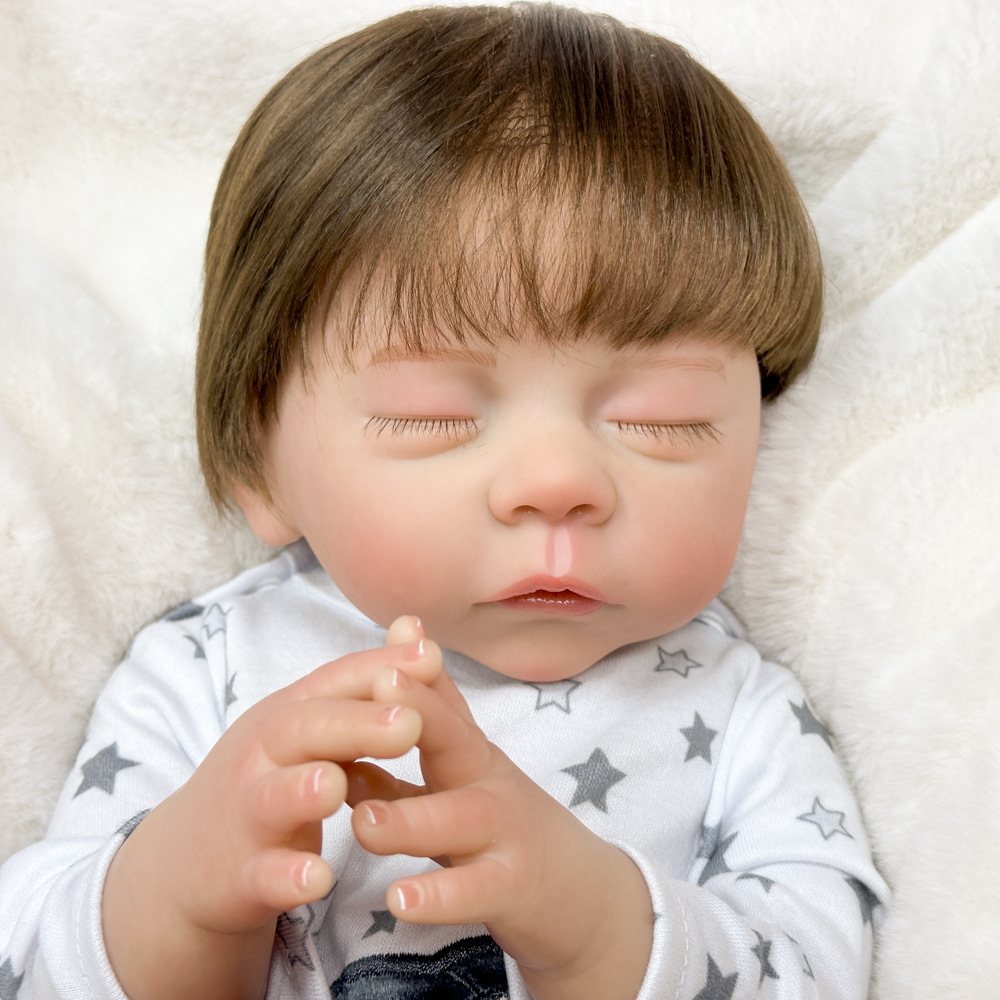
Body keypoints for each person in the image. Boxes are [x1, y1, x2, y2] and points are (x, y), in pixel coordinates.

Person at [0, 4, 888, 999]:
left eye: (662, 417)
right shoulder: (204, 675)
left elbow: (821, 967)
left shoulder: (737, 710)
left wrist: (600, 928)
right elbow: (28, 956)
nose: (559, 483)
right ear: (259, 456)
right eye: (431, 416)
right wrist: (180, 896)